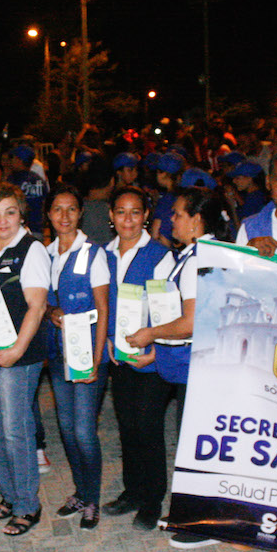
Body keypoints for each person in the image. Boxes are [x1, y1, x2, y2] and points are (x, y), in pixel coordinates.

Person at [125, 191, 231, 547]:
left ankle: (203, 522)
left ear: (197, 221)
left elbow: (191, 322)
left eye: (178, 215)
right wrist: (158, 350)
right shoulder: (199, 254)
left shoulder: (200, 258)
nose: (171, 220)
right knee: (191, 438)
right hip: (189, 361)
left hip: (199, 363)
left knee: (197, 442)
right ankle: (193, 513)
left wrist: (150, 334)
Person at [0, 184, 50, 536]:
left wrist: (17, 349)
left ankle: (28, 506)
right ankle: (10, 496)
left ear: (21, 214)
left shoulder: (31, 249)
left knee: (17, 430)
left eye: (10, 212)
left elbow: (37, 305)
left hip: (19, 353)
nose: (2, 220)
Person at [102, 186, 173, 530]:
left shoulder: (160, 255)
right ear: (111, 217)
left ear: (146, 216)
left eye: (135, 212)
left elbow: (169, 312)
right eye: (121, 212)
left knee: (148, 428)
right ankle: (132, 491)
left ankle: (152, 500)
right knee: (127, 426)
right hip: (119, 357)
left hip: (150, 358)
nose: (127, 219)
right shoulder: (102, 253)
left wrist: (156, 352)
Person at [43, 186, 110, 530]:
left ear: (80, 213)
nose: (64, 216)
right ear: (50, 214)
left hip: (87, 357)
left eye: (71, 209)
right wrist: (53, 311)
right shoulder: (46, 253)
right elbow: (44, 302)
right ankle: (80, 491)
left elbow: (103, 309)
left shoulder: (92, 252)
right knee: (67, 430)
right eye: (58, 209)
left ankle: (92, 499)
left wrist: (97, 363)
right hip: (58, 355)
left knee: (84, 432)